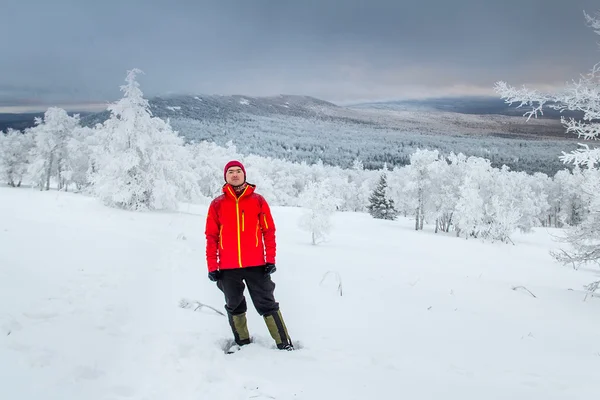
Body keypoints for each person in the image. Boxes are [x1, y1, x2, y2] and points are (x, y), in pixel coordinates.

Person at [205, 160, 294, 351]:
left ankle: (284, 344)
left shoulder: (258, 200)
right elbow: (211, 236)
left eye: (238, 171)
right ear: (226, 177)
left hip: (256, 265)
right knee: (234, 305)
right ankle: (242, 344)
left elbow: (268, 231)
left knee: (267, 303)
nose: (235, 174)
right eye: (231, 172)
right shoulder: (217, 204)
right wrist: (212, 266)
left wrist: (270, 259)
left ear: (244, 175)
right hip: (228, 267)